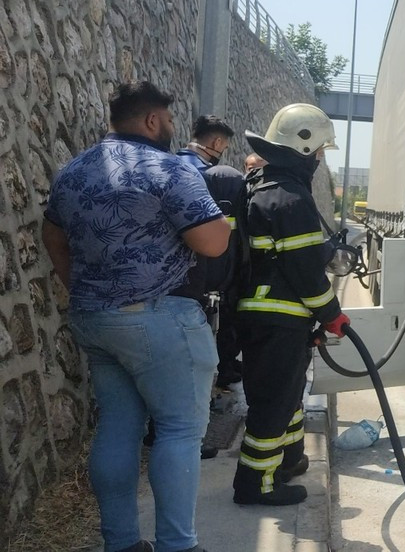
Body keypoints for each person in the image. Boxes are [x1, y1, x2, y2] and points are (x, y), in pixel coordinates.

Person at [42, 81, 229, 552]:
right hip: (159, 318)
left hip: (95, 319)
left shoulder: (73, 171)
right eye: (168, 120)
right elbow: (212, 242)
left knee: (117, 427)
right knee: (179, 430)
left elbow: (52, 238)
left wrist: (87, 289)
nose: (171, 129)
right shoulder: (169, 169)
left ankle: (121, 544)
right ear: (151, 120)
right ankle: (177, 546)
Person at [233, 103, 349, 506]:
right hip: (280, 317)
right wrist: (333, 316)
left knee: (287, 393)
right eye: (318, 152)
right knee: (273, 401)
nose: (319, 160)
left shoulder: (261, 188)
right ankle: (256, 483)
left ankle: (290, 457)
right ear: (303, 149)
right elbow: (304, 273)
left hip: (264, 316)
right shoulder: (291, 198)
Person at [174, 115, 248, 390]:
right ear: (217, 142)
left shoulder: (168, 164)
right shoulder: (207, 176)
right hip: (193, 283)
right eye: (224, 147)